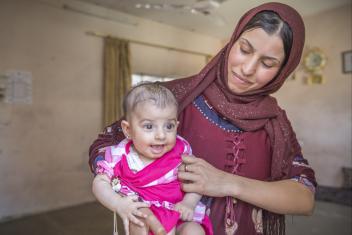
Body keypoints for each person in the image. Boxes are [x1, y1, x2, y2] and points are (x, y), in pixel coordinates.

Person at [89, 2, 317, 235]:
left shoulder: (275, 124)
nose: (247, 68)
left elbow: (305, 197)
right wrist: (125, 194)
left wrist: (228, 183)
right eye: (245, 49)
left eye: (268, 63)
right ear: (233, 42)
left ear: (283, 71)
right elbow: (106, 145)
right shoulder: (172, 98)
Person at [92, 82, 212, 235]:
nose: (161, 135)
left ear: (177, 125)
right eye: (149, 126)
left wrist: (189, 203)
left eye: (169, 126)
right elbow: (99, 183)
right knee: (138, 221)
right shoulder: (120, 156)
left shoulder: (181, 152)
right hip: (144, 214)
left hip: (178, 212)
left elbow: (197, 181)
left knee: (195, 231)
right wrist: (118, 204)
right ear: (128, 130)